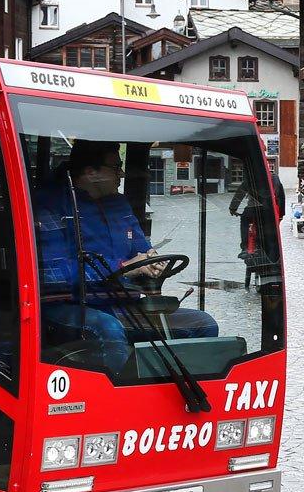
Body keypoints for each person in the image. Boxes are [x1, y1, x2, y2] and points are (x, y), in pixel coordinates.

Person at [38, 141, 218, 358]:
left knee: (203, 324)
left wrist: (152, 261)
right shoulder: (50, 206)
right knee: (109, 329)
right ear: (91, 173)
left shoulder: (119, 205)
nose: (122, 174)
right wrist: (124, 267)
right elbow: (56, 275)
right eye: (116, 168)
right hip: (69, 305)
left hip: (122, 304)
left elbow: (141, 249)